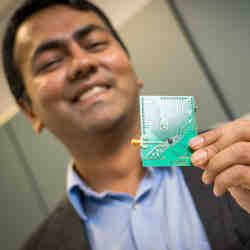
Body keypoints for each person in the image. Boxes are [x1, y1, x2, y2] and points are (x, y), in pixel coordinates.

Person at [3, 0, 250, 249]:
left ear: (132, 68)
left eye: (96, 44)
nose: (82, 63)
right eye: (51, 62)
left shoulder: (241, 162)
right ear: (29, 110)